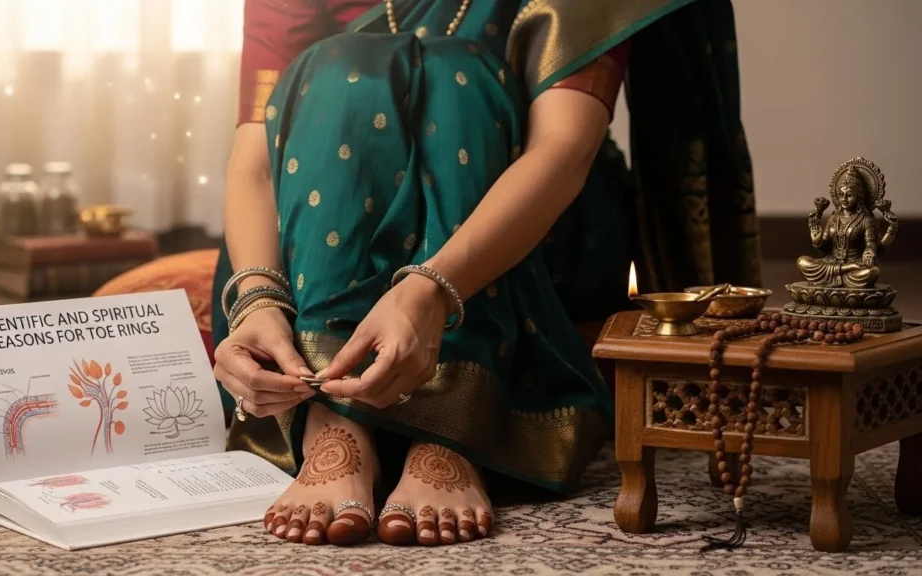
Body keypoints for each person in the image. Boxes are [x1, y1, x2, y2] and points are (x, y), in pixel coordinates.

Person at [212, 0, 761, 547]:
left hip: (533, 227)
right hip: (316, 239)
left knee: (459, 73)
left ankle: (453, 422)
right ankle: (333, 421)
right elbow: (256, 165)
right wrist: (258, 300)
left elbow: (563, 147)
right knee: (339, 64)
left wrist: (431, 290)